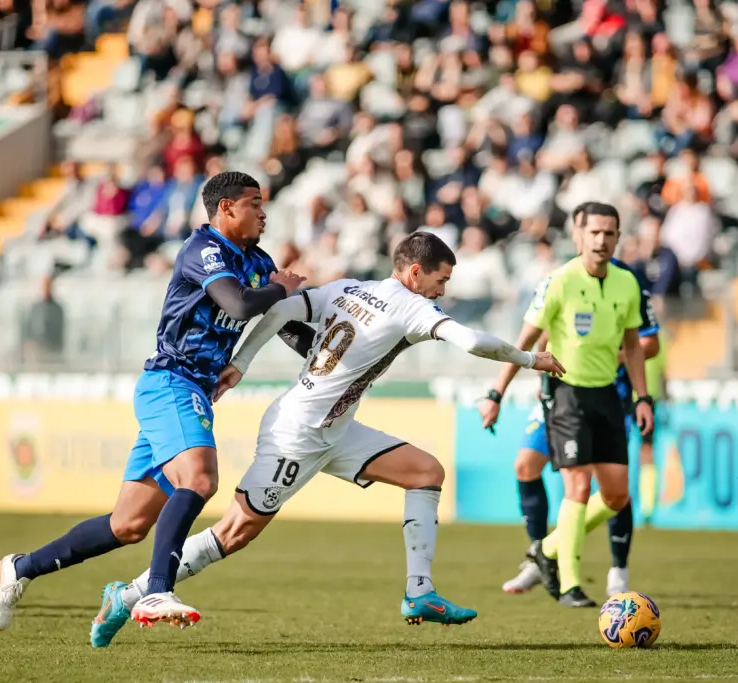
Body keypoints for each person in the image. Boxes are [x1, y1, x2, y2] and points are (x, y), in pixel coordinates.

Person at [88, 232, 565, 646]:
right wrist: (528, 359)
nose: (443, 291)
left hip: (336, 431)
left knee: (426, 473)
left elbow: (282, 309)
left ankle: (419, 593)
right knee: (234, 533)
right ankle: (127, 595)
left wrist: (244, 362)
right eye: (441, 280)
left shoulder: (349, 288)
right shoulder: (413, 308)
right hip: (296, 435)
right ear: (415, 273)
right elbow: (473, 342)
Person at [0, 172, 308, 634]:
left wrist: (336, 351)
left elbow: (280, 320)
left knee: (128, 524)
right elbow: (239, 306)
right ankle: (157, 589)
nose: (263, 211)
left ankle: (21, 567)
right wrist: (281, 287)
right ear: (226, 209)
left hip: (192, 392)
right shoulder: (204, 250)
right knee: (199, 477)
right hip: (171, 383)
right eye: (254, 202)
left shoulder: (258, 261)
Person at [478, 202, 653, 608]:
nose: (602, 240)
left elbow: (633, 344)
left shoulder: (627, 283)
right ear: (578, 235)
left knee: (616, 497)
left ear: (617, 237)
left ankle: (546, 550)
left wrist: (643, 397)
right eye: (594, 232)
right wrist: (496, 394)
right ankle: (570, 585)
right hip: (566, 394)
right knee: (577, 485)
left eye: (609, 233)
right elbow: (521, 345)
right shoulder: (558, 282)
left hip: (608, 394)